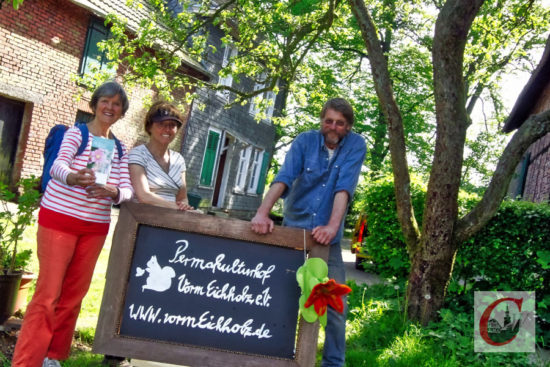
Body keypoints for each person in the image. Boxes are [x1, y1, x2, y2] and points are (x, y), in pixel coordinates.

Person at [12, 81, 133, 367]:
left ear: (122, 112)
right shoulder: (75, 134)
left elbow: (128, 190)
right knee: (48, 293)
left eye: (116, 104)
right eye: (105, 101)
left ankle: (52, 356)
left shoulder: (119, 148)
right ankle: (27, 361)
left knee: (74, 295)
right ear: (94, 104)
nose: (110, 107)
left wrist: (114, 192)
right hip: (59, 220)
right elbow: (57, 166)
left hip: (94, 228)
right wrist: (74, 177)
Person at [250, 98, 366, 367]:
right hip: (295, 232)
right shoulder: (304, 142)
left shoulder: (356, 145)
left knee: (336, 305)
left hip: (328, 240)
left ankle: (333, 363)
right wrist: (262, 212)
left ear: (348, 126)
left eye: (340, 123)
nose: (333, 127)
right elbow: (284, 177)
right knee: (285, 298)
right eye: (329, 121)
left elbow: (344, 187)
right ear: (321, 121)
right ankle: (278, 356)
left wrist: (332, 227)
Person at [128, 101, 194, 211]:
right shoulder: (138, 154)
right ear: (149, 127)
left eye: (172, 125)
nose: (167, 129)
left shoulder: (179, 160)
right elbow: (144, 196)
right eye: (161, 124)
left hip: (171, 221)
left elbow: (182, 198)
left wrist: (184, 205)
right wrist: (175, 207)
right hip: (141, 220)